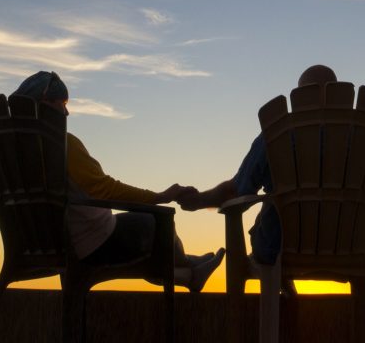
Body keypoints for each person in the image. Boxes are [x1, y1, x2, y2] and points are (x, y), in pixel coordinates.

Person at [12, 71, 223, 291]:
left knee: (148, 231)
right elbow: (104, 189)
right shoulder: (62, 145)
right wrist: (159, 197)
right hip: (92, 243)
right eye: (62, 103)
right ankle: (189, 264)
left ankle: (190, 274)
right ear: (44, 105)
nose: (66, 112)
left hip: (39, 243)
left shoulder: (10, 153)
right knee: (156, 221)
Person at [177, 64, 340, 265]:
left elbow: (235, 192)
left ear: (299, 96)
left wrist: (197, 201)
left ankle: (274, 289)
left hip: (278, 249)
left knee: (271, 215)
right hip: (351, 249)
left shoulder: (277, 136)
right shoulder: (363, 139)